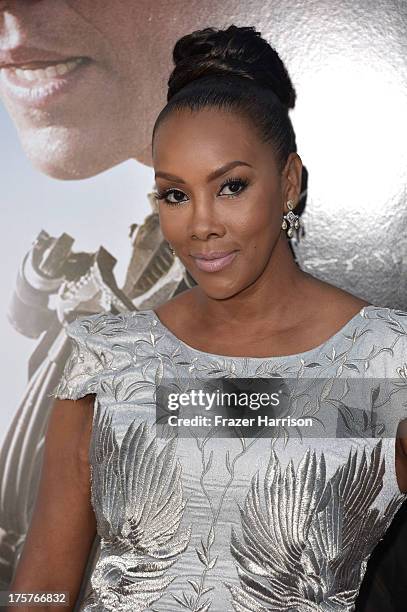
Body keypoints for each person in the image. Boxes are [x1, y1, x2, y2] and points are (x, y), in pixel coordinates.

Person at [8, 24, 407, 611]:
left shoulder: (387, 361)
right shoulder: (109, 358)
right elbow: (41, 586)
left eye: (231, 187)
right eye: (175, 194)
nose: (200, 225)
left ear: (289, 182)